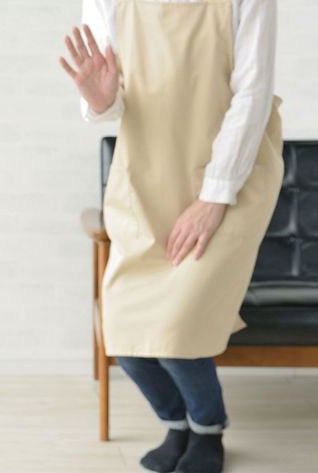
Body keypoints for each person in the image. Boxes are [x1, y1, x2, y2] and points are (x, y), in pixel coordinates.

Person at [60, 1, 282, 472]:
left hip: (231, 179)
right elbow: (107, 99)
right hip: (146, 178)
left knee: (179, 331)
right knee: (125, 338)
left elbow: (253, 93)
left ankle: (207, 431)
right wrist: (99, 100)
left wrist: (214, 198)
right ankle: (177, 424)